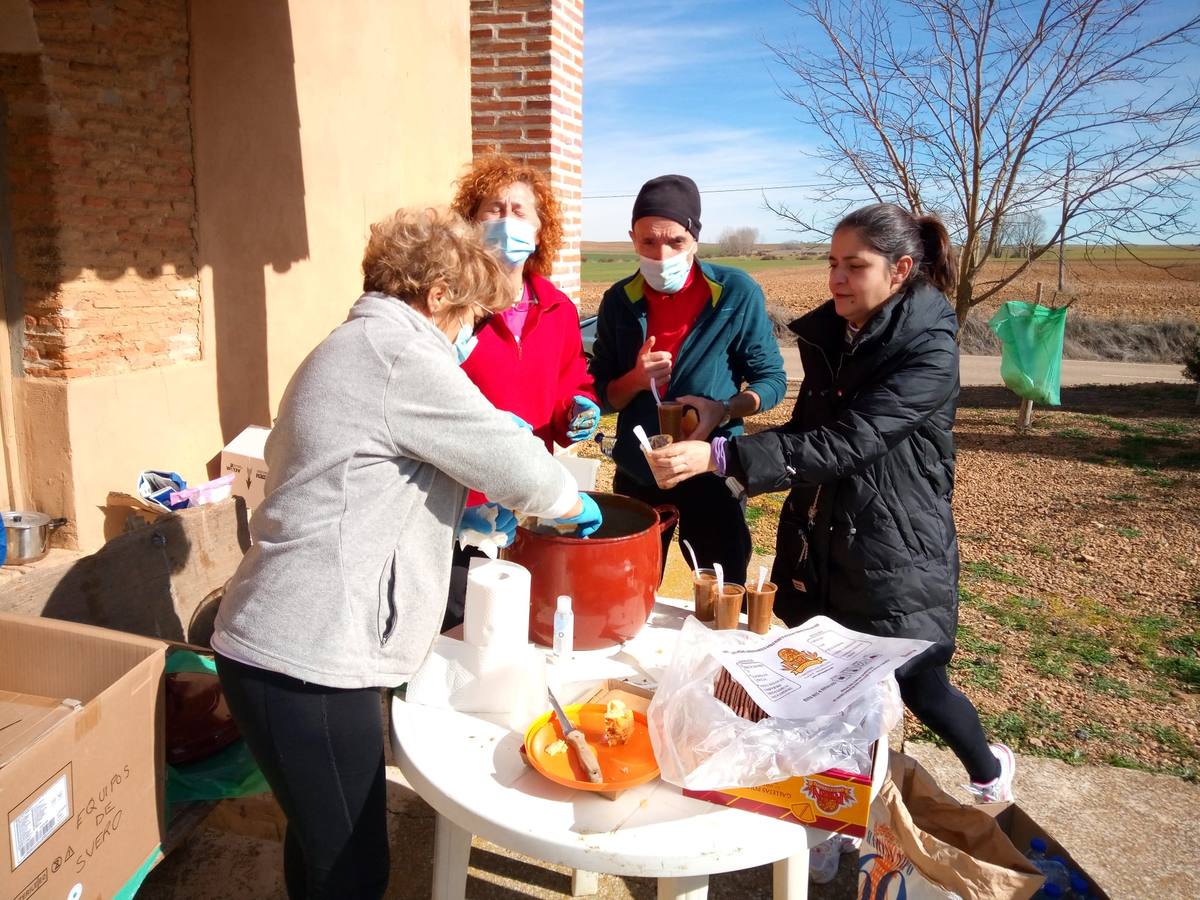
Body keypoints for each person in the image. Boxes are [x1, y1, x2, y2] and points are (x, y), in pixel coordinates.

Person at [210, 207, 602, 900]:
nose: (471, 333)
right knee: (354, 871)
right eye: (471, 315)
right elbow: (528, 471)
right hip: (306, 657)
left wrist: (456, 499)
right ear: (438, 295)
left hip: (287, 645)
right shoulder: (399, 354)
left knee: (322, 847)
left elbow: (369, 475)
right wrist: (568, 504)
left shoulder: (355, 344)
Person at [646, 203, 1016, 805]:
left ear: (899, 269)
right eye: (832, 263)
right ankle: (830, 809)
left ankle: (987, 768)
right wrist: (722, 418)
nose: (836, 279)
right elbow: (809, 431)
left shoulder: (929, 350)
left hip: (892, 541)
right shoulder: (840, 336)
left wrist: (722, 459)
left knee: (915, 682)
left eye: (854, 265)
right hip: (821, 531)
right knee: (824, 686)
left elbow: (852, 441)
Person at [589, 174, 787, 584]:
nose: (661, 254)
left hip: (712, 472)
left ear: (695, 238)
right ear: (632, 238)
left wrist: (725, 409)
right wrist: (637, 379)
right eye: (647, 242)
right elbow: (603, 396)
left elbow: (771, 381)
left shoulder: (735, 293)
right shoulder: (618, 302)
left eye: (675, 242)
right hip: (640, 472)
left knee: (719, 592)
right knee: (627, 585)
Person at [444, 155, 600, 626]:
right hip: (455, 510)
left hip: (527, 504)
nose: (506, 220)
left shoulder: (558, 310)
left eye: (519, 211)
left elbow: (572, 383)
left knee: (521, 630)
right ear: (471, 225)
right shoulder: (449, 307)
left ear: (540, 229)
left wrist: (579, 410)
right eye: (493, 209)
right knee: (457, 628)